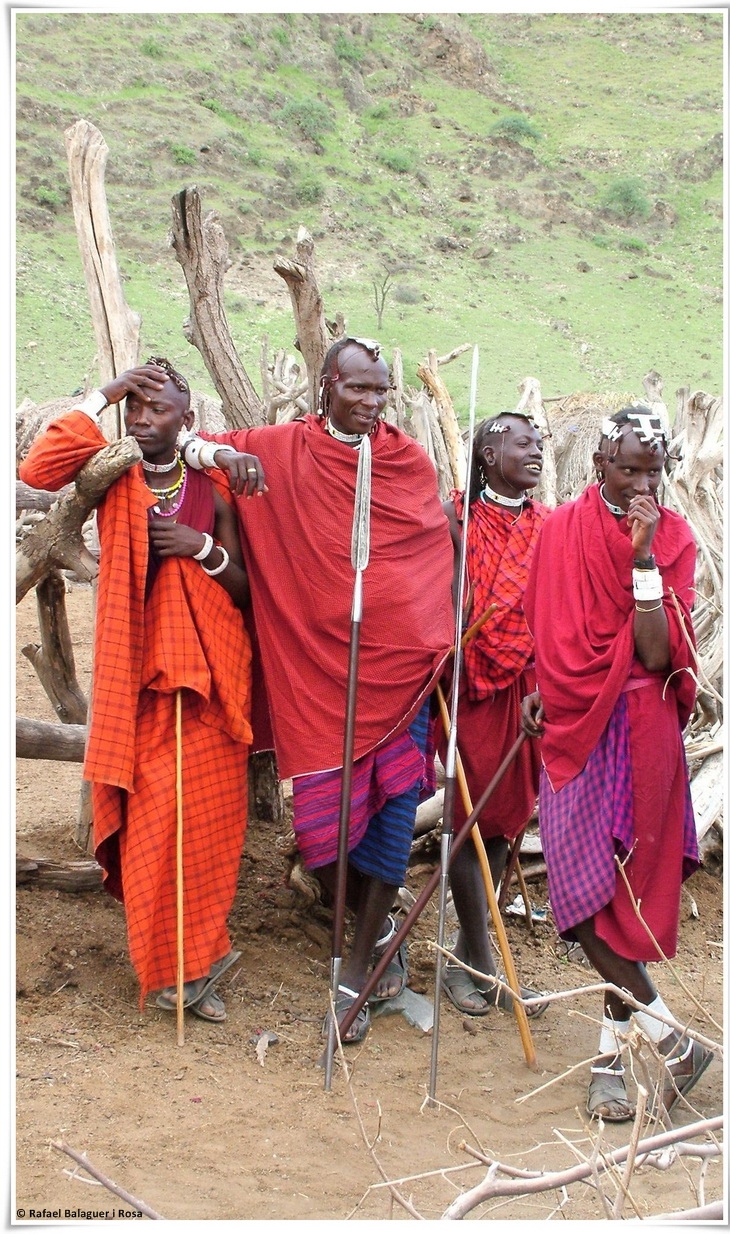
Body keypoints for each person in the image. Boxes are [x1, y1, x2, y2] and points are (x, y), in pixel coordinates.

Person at [179, 337, 455, 1042]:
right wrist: (221, 459)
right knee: (322, 835)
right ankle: (375, 925)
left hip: (398, 680)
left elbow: (428, 554)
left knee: (394, 821)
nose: (370, 404)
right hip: (319, 676)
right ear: (325, 386)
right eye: (357, 389)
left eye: (381, 391)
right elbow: (186, 442)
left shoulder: (405, 460)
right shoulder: (282, 448)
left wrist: (429, 638)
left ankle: (356, 969)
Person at [20, 359, 253, 1024]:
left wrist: (198, 547)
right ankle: (166, 973)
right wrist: (108, 390)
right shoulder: (114, 473)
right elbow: (39, 469)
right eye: (136, 409)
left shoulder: (214, 485)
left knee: (208, 827)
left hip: (210, 686)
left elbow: (243, 590)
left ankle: (195, 963)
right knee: (154, 824)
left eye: (159, 408)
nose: (145, 420)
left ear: (188, 417)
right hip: (142, 685)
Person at [522, 406, 712, 1121]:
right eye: (626, 466)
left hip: (640, 723)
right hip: (571, 721)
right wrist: (538, 686)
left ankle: (609, 1057)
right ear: (600, 458)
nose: (638, 482)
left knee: (617, 899)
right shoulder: (560, 530)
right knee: (577, 904)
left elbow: (660, 654)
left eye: (651, 471)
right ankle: (671, 1038)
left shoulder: (675, 540)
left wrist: (642, 558)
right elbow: (544, 621)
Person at [436, 412, 550, 1019]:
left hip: (528, 689)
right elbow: (435, 591)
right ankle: (483, 962)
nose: (536, 452)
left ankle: (469, 952)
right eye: (522, 443)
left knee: (506, 818)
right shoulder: (454, 518)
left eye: (539, 444)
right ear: (485, 454)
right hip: (467, 683)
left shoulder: (549, 529)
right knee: (469, 816)